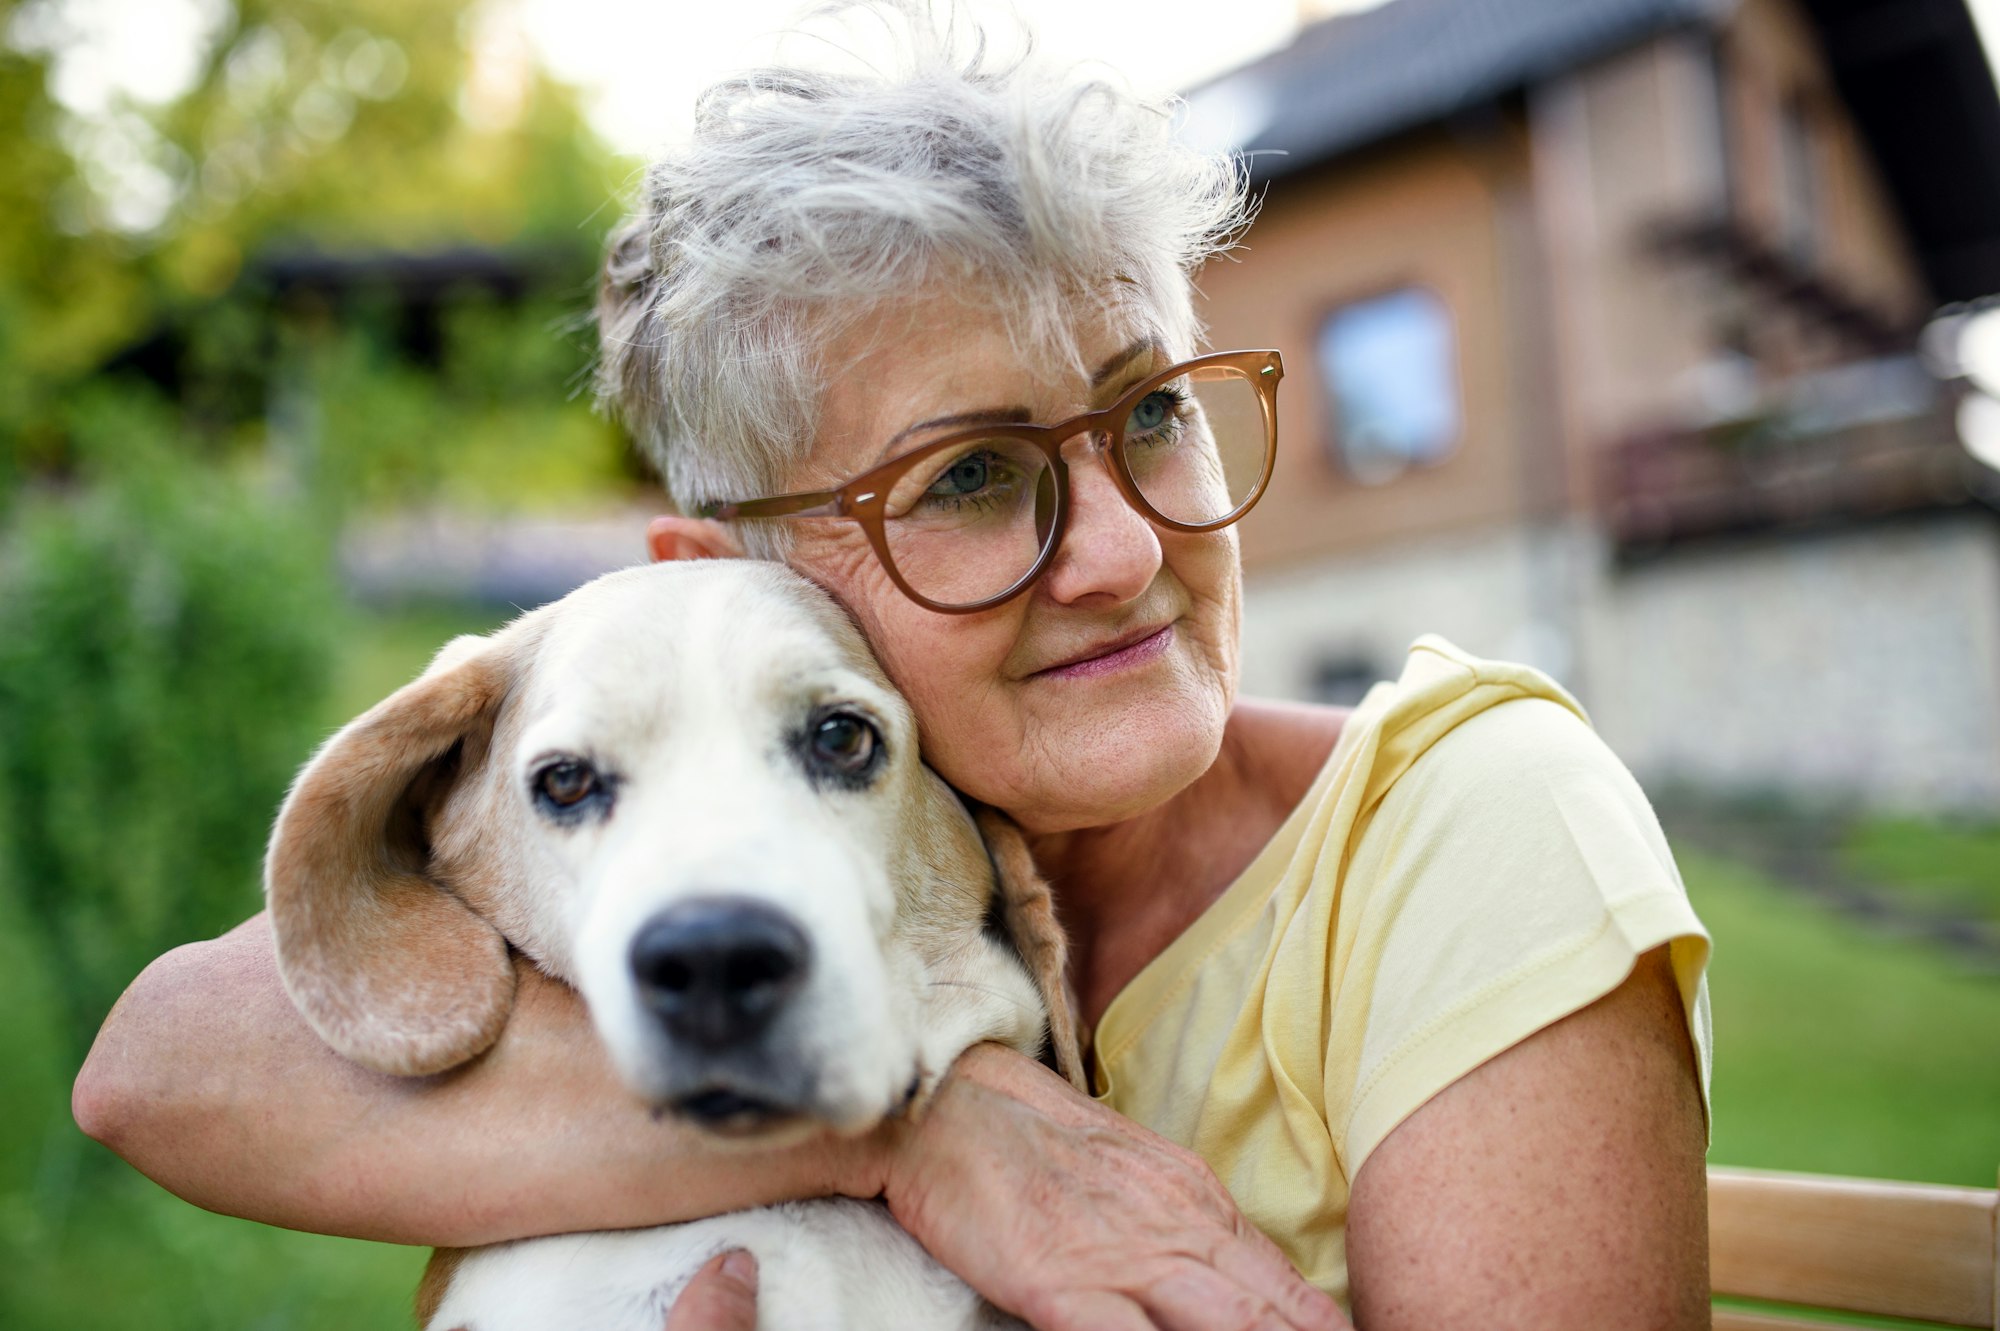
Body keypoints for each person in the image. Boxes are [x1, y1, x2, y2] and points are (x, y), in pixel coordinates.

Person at [72, 5, 1713, 1327]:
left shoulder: (1464, 821)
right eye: (971, 478)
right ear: (732, 585)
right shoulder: (677, 869)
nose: (1128, 550)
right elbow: (159, 1061)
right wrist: (925, 1128)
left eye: (1153, 411)